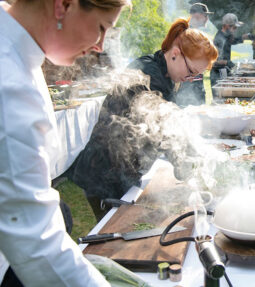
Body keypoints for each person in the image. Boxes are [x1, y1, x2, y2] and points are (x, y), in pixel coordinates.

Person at [0, 0, 130, 286]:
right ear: (66, 3)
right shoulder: (10, 82)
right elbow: (37, 243)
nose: (100, 45)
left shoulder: (18, 56)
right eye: (102, 26)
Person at [66, 18, 218, 220]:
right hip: (104, 172)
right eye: (191, 72)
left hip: (125, 168)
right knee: (117, 231)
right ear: (175, 54)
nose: (190, 79)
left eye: (196, 76)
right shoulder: (147, 74)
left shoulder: (163, 72)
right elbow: (164, 125)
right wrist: (187, 164)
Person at [176, 3, 214, 106]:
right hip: (188, 85)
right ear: (197, 15)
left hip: (196, 83)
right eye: (205, 16)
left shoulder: (195, 33)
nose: (207, 19)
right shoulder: (186, 33)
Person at [210, 13, 255, 89]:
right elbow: (214, 61)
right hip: (218, 74)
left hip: (224, 70)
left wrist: (246, 36)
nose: (235, 30)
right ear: (227, 26)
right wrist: (230, 63)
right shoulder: (219, 38)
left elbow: (234, 41)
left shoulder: (226, 36)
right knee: (220, 98)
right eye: (234, 28)